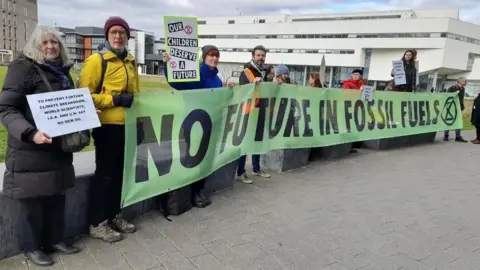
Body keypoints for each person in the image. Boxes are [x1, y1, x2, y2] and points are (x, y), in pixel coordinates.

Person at [0, 26, 80, 266]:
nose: (50, 47)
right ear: (35, 45)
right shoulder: (22, 68)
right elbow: (6, 108)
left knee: (57, 195)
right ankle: (32, 247)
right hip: (31, 149)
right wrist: (30, 133)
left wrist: (82, 112)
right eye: (44, 42)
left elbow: (66, 104)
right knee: (33, 200)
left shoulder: (62, 72)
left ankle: (55, 239)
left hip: (57, 148)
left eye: (55, 42)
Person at [78, 16, 139, 243]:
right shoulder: (97, 60)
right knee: (104, 176)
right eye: (113, 32)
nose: (117, 36)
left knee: (120, 176)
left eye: (122, 32)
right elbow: (83, 95)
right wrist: (114, 99)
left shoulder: (131, 61)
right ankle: (97, 223)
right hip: (107, 127)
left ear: (127, 36)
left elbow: (137, 97)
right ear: (107, 35)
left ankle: (114, 215)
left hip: (128, 127)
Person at [162, 45, 234, 208]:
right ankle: (192, 194)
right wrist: (168, 66)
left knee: (205, 159)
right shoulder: (196, 73)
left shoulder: (216, 78)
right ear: (204, 57)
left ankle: (199, 191)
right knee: (193, 159)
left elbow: (217, 100)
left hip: (210, 124)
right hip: (193, 124)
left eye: (217, 55)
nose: (214, 58)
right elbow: (177, 83)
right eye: (211, 55)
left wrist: (226, 91)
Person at [237, 45, 271, 184]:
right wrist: (253, 84)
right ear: (253, 56)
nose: (261, 58)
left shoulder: (266, 72)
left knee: (258, 140)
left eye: (263, 55)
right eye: (258, 55)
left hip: (261, 110)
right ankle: (240, 172)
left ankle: (256, 169)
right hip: (249, 112)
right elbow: (244, 91)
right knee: (245, 142)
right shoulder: (246, 71)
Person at [444, 77, 467, 143]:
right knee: (449, 120)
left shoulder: (463, 89)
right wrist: (454, 94)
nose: (465, 82)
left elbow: (461, 99)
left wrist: (462, 106)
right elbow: (447, 96)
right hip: (451, 108)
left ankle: (458, 136)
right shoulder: (452, 88)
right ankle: (446, 135)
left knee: (458, 121)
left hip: (459, 108)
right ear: (460, 81)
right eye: (464, 81)